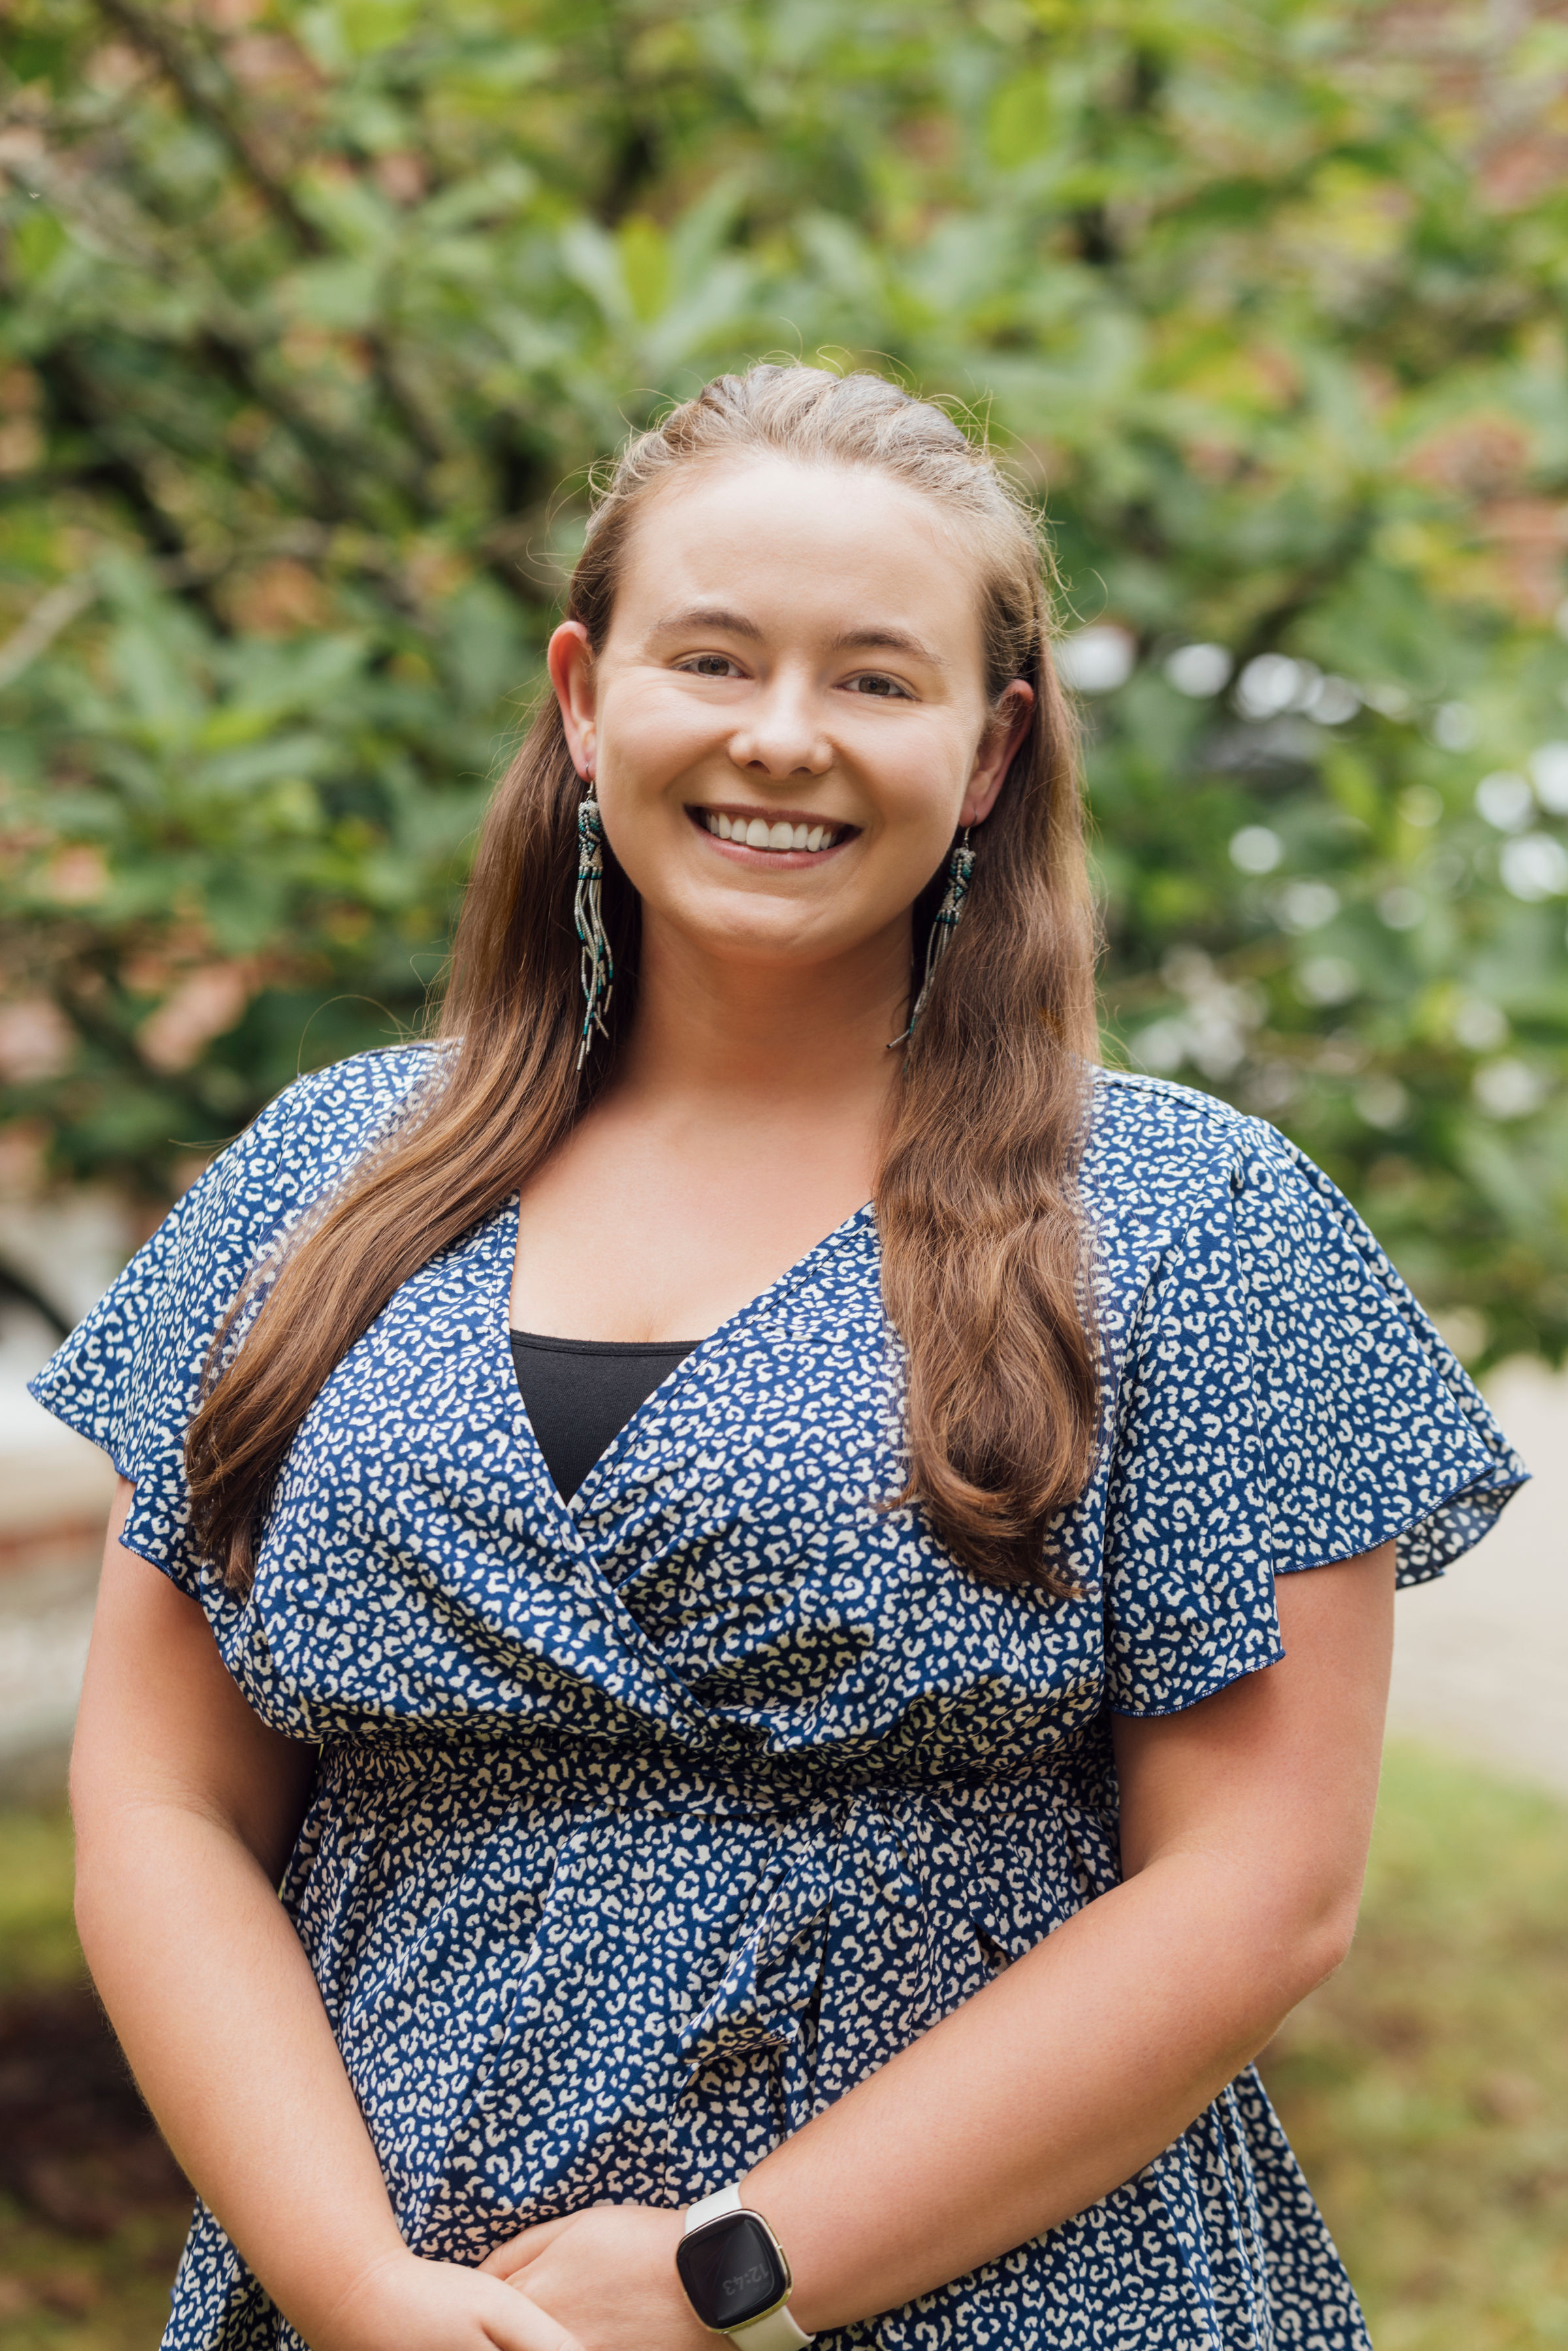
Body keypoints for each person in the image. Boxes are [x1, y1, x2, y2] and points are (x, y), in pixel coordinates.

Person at [37, 363, 1524, 2351]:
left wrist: (732, 2273)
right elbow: (159, 1803)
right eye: (712, 658)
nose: (780, 740)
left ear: (989, 753)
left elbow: (1257, 1893)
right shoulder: (326, 1176)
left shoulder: (1191, 1222)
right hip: (386, 2288)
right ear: (583, 698)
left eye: (875, 682)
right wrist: (345, 2285)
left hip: (999, 2296)